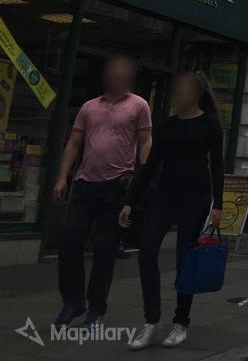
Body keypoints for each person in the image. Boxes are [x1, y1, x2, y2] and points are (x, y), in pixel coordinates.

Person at [119, 71, 225, 349]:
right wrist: (130, 201)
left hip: (196, 197)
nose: (180, 96)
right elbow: (150, 166)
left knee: (184, 260)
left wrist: (219, 204)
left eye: (184, 91)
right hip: (165, 195)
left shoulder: (210, 125)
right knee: (146, 252)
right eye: (178, 92)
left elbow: (217, 164)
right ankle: (151, 320)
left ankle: (180, 322)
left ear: (197, 94)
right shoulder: (166, 126)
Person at [53, 55, 152, 328]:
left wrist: (142, 177)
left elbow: (145, 140)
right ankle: (73, 301)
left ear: (129, 78)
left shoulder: (139, 105)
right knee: (69, 242)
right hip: (84, 184)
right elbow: (74, 143)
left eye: (121, 73)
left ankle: (96, 309)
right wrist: (62, 178)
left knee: (105, 249)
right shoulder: (89, 107)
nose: (116, 77)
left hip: (116, 185)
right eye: (112, 73)